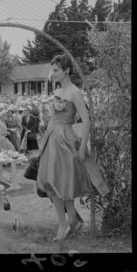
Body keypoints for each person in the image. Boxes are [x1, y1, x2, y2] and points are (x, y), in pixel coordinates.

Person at [36, 54, 94, 241]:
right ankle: (65, 222)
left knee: (63, 183)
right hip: (52, 139)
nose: (52, 74)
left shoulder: (75, 92)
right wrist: (44, 141)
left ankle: (69, 223)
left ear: (66, 70)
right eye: (52, 70)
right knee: (48, 182)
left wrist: (82, 147)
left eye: (56, 70)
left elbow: (86, 121)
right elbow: (53, 119)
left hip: (66, 140)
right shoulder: (57, 92)